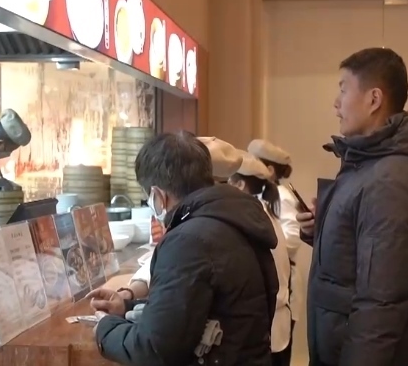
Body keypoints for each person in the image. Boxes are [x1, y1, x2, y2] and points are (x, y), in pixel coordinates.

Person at [296, 47, 408, 366]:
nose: (336, 104)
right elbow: (361, 253)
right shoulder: (367, 164)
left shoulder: (392, 179)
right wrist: (323, 228)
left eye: (343, 89)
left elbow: (382, 301)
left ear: (374, 99)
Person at [93, 132, 279, 366]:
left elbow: (154, 349)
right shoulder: (236, 217)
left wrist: (106, 329)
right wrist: (128, 306)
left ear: (158, 195)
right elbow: (194, 308)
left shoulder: (188, 240)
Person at [96, 136, 245, 303]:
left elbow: (169, 307)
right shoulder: (233, 211)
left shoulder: (201, 228)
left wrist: (115, 316)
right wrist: (130, 293)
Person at [228, 152, 293, 366]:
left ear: (239, 185)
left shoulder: (251, 219)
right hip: (274, 324)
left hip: (266, 327)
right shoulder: (263, 213)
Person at [247, 138, 303, 350]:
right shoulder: (260, 196)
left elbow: (292, 238)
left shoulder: (281, 196)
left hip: (285, 283)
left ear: (269, 170)